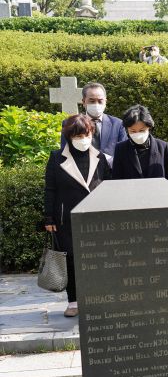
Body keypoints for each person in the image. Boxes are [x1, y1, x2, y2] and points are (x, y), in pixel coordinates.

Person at [45, 114, 111, 317]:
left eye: (86, 134)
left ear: (92, 133)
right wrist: (49, 218)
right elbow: (50, 189)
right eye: (77, 135)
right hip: (67, 219)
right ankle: (73, 301)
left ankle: (96, 298)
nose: (83, 139)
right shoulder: (57, 158)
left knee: (96, 260)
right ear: (69, 136)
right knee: (72, 260)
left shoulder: (101, 158)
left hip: (95, 218)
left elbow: (109, 187)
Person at [60, 82, 127, 163]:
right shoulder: (70, 124)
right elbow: (65, 152)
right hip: (81, 172)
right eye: (92, 101)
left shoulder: (118, 124)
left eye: (100, 101)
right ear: (84, 102)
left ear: (105, 102)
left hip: (110, 173)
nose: (96, 104)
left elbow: (124, 154)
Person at [112, 105, 168, 184]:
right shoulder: (120, 148)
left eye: (142, 130)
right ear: (127, 130)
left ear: (149, 127)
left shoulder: (163, 147)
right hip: (130, 194)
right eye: (133, 131)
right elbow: (116, 181)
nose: (137, 134)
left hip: (157, 194)